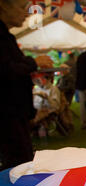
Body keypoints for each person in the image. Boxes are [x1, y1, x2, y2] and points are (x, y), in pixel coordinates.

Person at [0, 0, 51, 170]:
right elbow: (6, 69)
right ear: (3, 6)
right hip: (8, 114)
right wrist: (33, 62)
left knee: (21, 160)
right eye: (22, 8)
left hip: (15, 112)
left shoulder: (7, 36)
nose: (27, 13)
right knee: (19, 164)